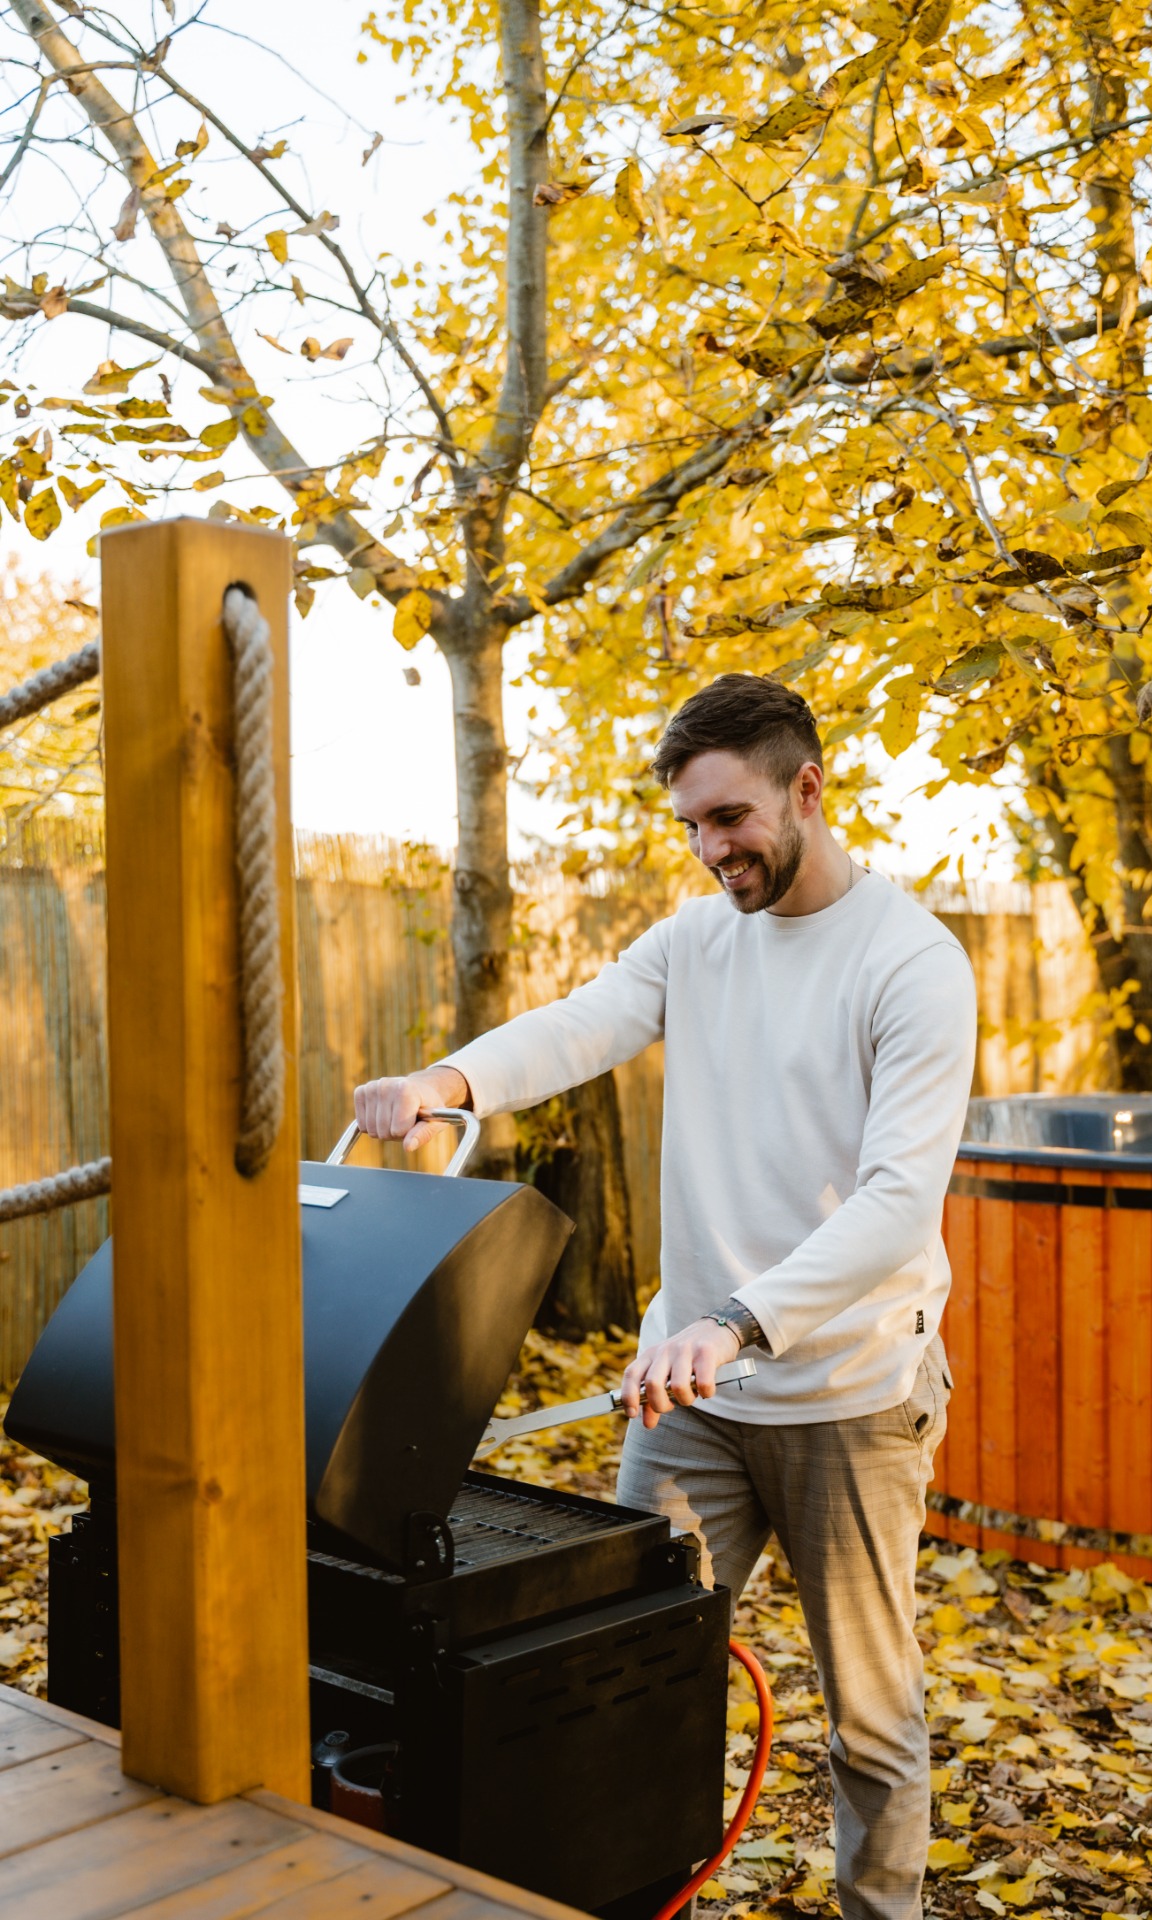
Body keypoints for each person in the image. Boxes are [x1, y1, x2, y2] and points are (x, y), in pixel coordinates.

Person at [354, 673, 977, 1920]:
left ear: (808, 788)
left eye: (731, 818)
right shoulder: (695, 941)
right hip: (690, 1400)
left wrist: (736, 1322)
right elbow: (578, 1026)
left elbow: (897, 1203)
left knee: (869, 1714)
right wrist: (447, 1083)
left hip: (849, 1392)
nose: (710, 850)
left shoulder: (911, 962)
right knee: (619, 1676)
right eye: (691, 824)